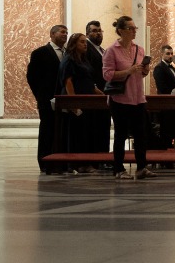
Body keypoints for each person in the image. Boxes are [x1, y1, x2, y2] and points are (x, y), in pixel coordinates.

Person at [102, 16, 154, 179]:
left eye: (135, 28)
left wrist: (144, 70)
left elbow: (142, 73)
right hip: (120, 99)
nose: (134, 31)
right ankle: (118, 169)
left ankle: (141, 167)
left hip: (138, 97)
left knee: (140, 134)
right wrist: (128, 71)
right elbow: (107, 74)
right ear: (121, 30)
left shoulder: (139, 49)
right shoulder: (111, 50)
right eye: (130, 28)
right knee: (121, 134)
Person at [26, 24, 67, 172]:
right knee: (47, 132)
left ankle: (61, 163)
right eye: (62, 32)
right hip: (46, 100)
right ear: (52, 34)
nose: (65, 34)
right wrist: (41, 96)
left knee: (62, 132)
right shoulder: (40, 53)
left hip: (64, 101)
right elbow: (31, 77)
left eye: (66, 32)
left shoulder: (68, 53)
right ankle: (45, 162)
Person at [58, 32, 100, 169]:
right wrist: (74, 103)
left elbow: (89, 82)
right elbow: (68, 81)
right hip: (76, 102)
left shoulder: (83, 59)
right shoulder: (69, 59)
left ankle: (86, 162)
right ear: (74, 44)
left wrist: (103, 95)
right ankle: (76, 164)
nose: (85, 44)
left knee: (86, 133)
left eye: (85, 42)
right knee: (77, 133)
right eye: (82, 42)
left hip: (87, 101)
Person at [83, 20, 111, 155]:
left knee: (104, 126)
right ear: (87, 34)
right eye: (94, 31)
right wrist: (94, 88)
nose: (98, 33)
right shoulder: (86, 48)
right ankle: (97, 157)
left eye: (100, 31)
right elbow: (87, 71)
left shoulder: (101, 50)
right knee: (96, 127)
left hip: (105, 93)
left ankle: (103, 156)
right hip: (95, 94)